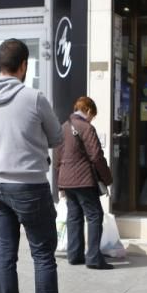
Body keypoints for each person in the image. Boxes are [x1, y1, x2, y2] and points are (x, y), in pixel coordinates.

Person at [0, 39, 81, 293]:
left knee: (4, 254)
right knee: (43, 255)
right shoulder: (33, 98)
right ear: (23, 66)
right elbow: (57, 137)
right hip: (29, 184)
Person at [54, 96, 114, 270]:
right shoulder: (86, 127)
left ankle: (74, 255)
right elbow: (96, 156)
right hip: (83, 180)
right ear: (88, 110)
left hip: (67, 180)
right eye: (92, 115)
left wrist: (60, 184)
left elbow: (57, 158)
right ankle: (94, 258)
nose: (92, 118)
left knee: (74, 216)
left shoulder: (63, 127)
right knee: (95, 215)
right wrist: (107, 178)